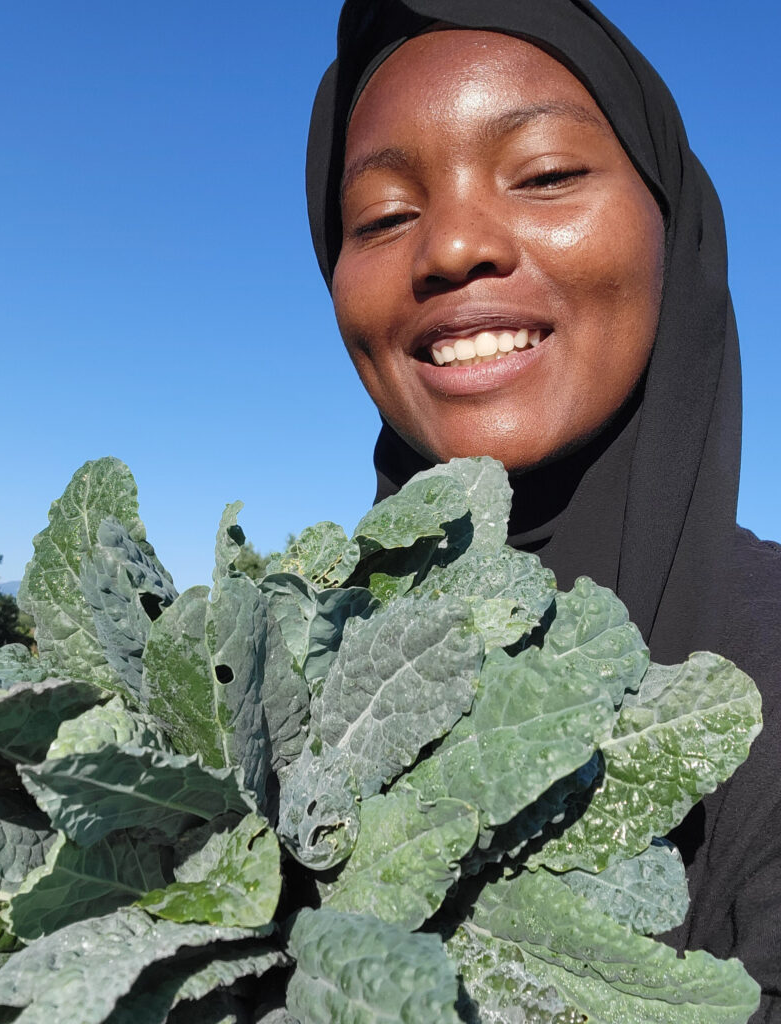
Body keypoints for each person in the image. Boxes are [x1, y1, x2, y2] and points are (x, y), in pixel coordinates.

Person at [305, 1, 781, 1019]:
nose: (453, 245)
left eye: (546, 174)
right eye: (384, 215)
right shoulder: (286, 674)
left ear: (673, 224)